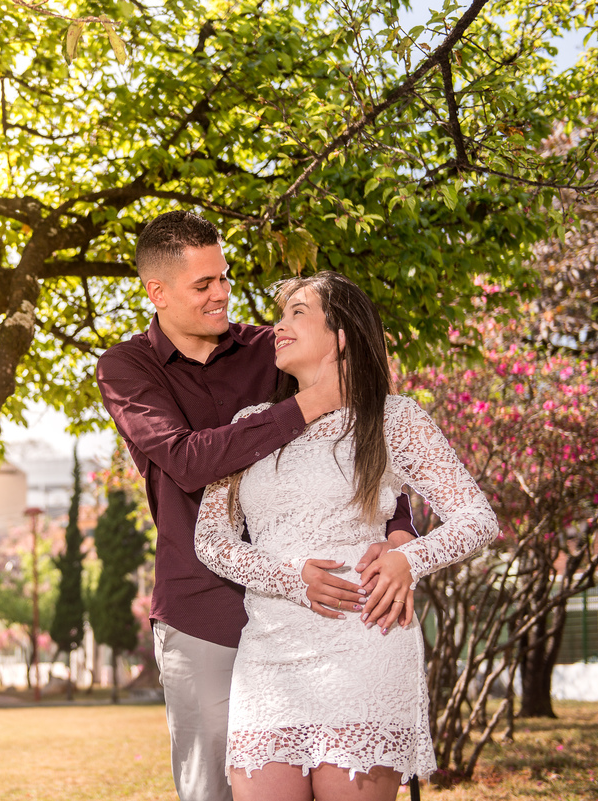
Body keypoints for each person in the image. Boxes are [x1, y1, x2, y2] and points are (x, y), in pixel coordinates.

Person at [96, 211, 417, 801]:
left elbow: (362, 434)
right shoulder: (126, 368)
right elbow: (187, 460)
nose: (222, 293)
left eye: (224, 277)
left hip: (319, 613)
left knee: (346, 775)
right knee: (214, 791)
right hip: (205, 611)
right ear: (157, 292)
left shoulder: (274, 349)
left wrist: (399, 533)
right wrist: (308, 404)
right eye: (204, 285)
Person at [194, 272, 498, 800]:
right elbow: (212, 541)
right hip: (268, 657)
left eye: (297, 313)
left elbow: (477, 518)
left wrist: (410, 559)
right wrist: (291, 578)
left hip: (364, 644)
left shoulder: (392, 418)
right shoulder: (251, 423)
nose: (277, 326)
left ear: (340, 335)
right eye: (279, 314)